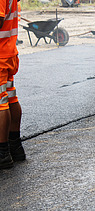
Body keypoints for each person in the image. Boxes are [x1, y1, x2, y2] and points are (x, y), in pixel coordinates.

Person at [0, 0, 25, 169]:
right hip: (8, 52)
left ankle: (2, 152)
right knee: (9, 97)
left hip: (1, 54)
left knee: (1, 102)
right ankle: (15, 147)